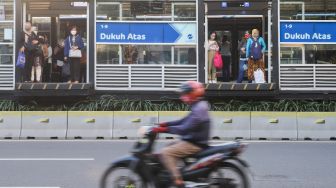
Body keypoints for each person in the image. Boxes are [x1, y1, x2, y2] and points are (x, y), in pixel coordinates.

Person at [152, 81, 211, 187]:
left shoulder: (199, 109)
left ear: (192, 94)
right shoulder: (198, 105)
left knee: (166, 152)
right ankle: (179, 170)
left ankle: (178, 180)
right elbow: (183, 121)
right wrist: (165, 124)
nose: (182, 97)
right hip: (193, 139)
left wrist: (163, 130)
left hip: (195, 143)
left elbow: (184, 129)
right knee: (169, 146)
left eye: (185, 94)